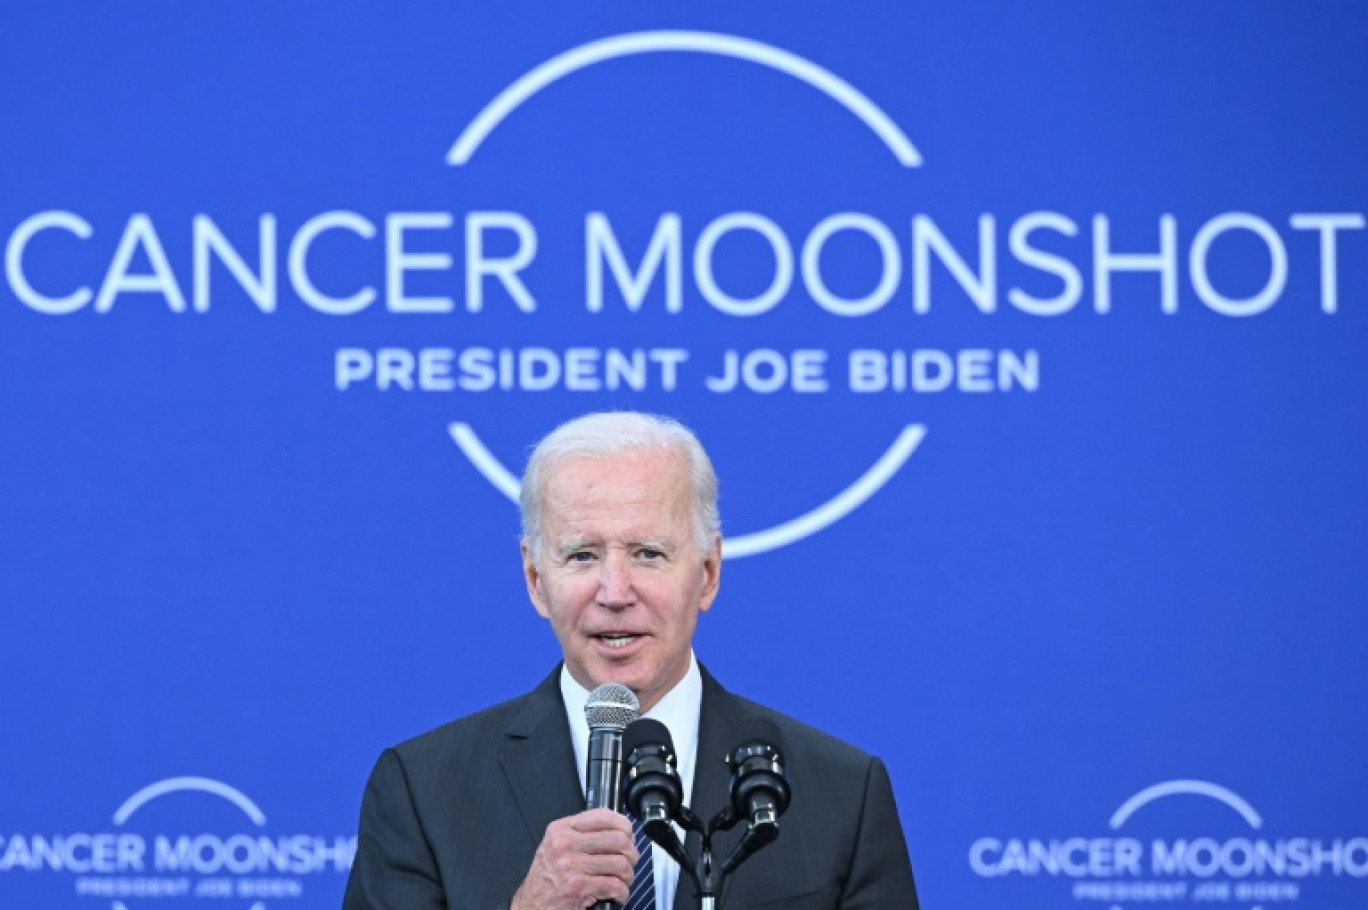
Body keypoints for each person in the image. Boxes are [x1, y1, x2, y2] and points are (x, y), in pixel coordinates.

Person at [343, 411, 919, 910]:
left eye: (648, 553)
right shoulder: (423, 790)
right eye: (582, 554)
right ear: (535, 579)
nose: (615, 591)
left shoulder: (840, 793)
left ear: (708, 573)